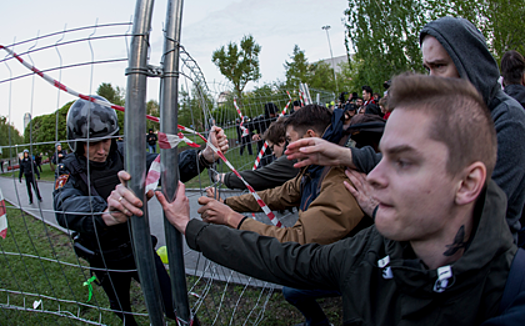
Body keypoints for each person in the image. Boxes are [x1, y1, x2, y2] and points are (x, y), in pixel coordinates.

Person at [115, 74, 520, 325]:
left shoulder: (512, 297)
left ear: (467, 184)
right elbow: (283, 254)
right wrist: (193, 227)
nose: (374, 175)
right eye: (380, 156)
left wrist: (228, 217)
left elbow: (293, 242)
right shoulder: (368, 254)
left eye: (403, 162)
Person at [287, 16, 525, 246]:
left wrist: (381, 210)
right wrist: (342, 155)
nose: (432, 79)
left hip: (478, 267)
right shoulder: (452, 114)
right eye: (427, 68)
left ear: (469, 64)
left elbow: (472, 217)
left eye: (440, 66)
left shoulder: (508, 120)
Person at [53, 96, 228, 325]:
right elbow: (64, 204)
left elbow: (163, 167)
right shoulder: (69, 169)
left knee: (175, 304)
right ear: (76, 142)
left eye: (106, 140)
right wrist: (104, 212)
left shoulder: (125, 154)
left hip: (140, 247)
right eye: (92, 143)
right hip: (103, 257)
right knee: (122, 311)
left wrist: (203, 157)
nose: (102, 150)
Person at [203, 105, 371, 326]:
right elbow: (279, 194)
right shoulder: (316, 167)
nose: (285, 148)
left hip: (359, 267)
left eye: (289, 140)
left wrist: (231, 218)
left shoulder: (341, 178)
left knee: (293, 289)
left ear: (310, 136)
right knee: (293, 290)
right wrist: (227, 203)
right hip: (341, 255)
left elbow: (298, 242)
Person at [217, 118, 299, 191]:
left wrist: (224, 178)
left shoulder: (292, 159)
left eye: (272, 148)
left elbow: (258, 177)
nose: (273, 153)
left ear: (282, 141)